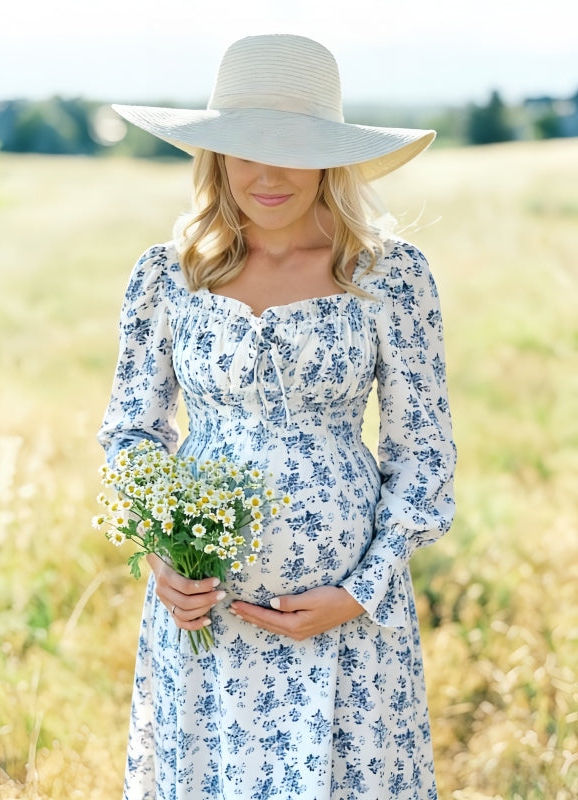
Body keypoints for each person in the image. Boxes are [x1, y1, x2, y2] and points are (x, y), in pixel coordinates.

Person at [98, 33, 456, 800]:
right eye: (244, 148)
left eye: (293, 148)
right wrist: (165, 560)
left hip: (347, 622)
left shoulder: (388, 277)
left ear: (331, 155)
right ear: (214, 155)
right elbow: (131, 431)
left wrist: (363, 590)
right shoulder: (169, 276)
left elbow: (423, 453)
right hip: (205, 619)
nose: (267, 173)